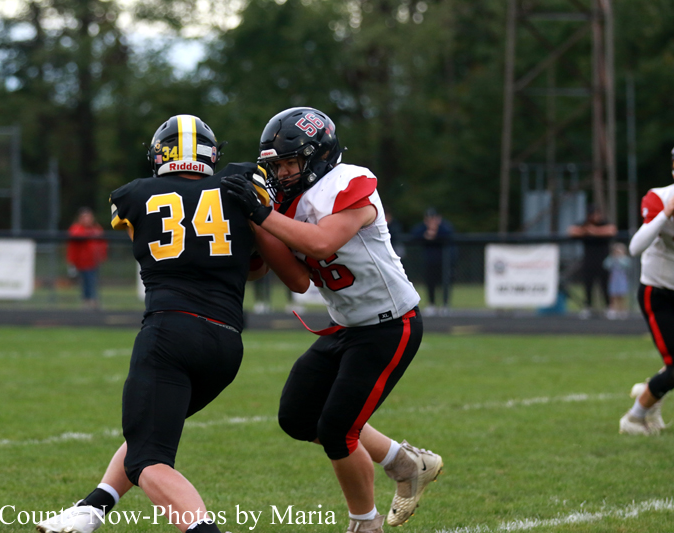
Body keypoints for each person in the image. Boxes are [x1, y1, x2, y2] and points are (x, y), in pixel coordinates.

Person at [36, 114, 300, 533]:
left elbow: (164, 250)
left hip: (170, 334)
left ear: (161, 155)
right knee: (149, 433)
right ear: (210, 154)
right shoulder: (241, 184)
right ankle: (92, 509)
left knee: (148, 458)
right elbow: (254, 268)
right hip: (226, 344)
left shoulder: (132, 196)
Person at [222, 107, 443, 533]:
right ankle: (405, 463)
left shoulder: (349, 181)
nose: (282, 173)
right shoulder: (283, 202)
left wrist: (262, 214)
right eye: (276, 166)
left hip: (390, 324)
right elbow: (297, 279)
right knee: (297, 417)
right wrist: (251, 224)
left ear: (318, 154)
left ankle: (365, 524)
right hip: (347, 326)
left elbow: (323, 243)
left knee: (339, 430)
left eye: (290, 162)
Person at [619, 151, 674, 436]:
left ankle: (651, 390)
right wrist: (666, 213)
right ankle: (634, 417)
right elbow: (635, 247)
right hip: (660, 291)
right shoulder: (660, 197)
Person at [567, 206, 617, 318]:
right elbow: (572, 231)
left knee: (605, 284)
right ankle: (588, 307)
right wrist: (587, 230)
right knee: (588, 284)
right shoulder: (584, 224)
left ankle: (609, 307)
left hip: (604, 261)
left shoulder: (604, 223)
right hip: (589, 260)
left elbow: (611, 230)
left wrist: (593, 231)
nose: (596, 217)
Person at [410, 208, 455, 315]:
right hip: (429, 261)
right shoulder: (422, 228)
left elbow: (449, 235)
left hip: (444, 261)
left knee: (445, 283)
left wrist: (435, 234)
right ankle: (432, 304)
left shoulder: (444, 227)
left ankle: (445, 304)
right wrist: (426, 235)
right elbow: (413, 235)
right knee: (430, 283)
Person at [67, 207, 108, 309]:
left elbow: (103, 244)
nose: (87, 220)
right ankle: (87, 301)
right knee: (86, 282)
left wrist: (102, 257)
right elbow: (74, 239)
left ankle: (92, 300)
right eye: (84, 217)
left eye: (89, 217)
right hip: (81, 262)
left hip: (94, 262)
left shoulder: (96, 228)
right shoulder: (77, 228)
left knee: (92, 281)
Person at [602, 242, 631, 319]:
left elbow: (627, 265)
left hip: (622, 280)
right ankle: (613, 309)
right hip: (613, 280)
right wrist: (613, 258)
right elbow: (606, 265)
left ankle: (622, 310)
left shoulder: (625, 260)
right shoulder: (611, 259)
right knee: (613, 295)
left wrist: (620, 259)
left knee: (622, 295)